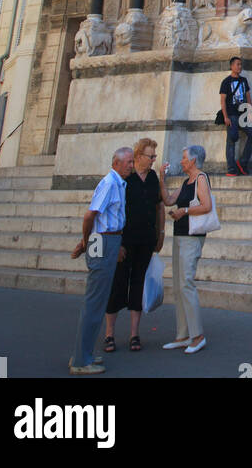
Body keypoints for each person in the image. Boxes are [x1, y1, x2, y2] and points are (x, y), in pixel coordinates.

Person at [69, 146, 134, 375]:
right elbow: (90, 216)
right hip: (102, 242)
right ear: (116, 163)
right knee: (95, 302)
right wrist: (86, 242)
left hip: (108, 241)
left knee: (97, 300)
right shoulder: (109, 184)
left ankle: (84, 353)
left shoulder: (119, 184)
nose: (131, 165)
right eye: (128, 162)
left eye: (132, 161)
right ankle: (80, 360)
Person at [104, 136, 164, 352]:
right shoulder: (125, 180)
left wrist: (161, 232)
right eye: (151, 156)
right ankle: (109, 334)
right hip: (125, 240)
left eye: (154, 156)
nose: (153, 160)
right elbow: (115, 211)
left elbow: (159, 206)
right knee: (118, 283)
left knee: (138, 283)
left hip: (146, 239)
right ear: (139, 157)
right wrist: (116, 241)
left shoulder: (153, 178)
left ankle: (134, 334)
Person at [161, 145, 213, 354]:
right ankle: (183, 335)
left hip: (192, 237)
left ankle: (197, 335)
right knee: (178, 284)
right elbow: (169, 200)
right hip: (180, 235)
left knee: (187, 283)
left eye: (184, 158)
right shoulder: (186, 182)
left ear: (193, 161)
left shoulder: (201, 178)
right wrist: (161, 178)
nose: (181, 161)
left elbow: (206, 205)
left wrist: (184, 211)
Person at [219, 55, 252, 175]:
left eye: (241, 64)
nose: (240, 67)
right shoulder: (226, 82)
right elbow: (222, 101)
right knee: (231, 140)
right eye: (237, 64)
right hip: (231, 115)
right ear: (232, 66)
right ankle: (231, 168)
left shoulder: (243, 81)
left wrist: (250, 113)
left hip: (243, 115)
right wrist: (225, 117)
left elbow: (248, 97)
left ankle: (243, 163)